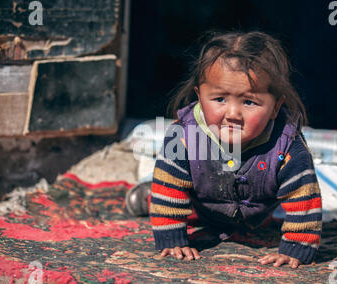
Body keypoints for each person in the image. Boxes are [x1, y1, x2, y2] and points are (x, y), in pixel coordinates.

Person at [125, 31, 322, 268]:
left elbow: (304, 198)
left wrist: (298, 248)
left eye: (249, 102)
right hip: (201, 205)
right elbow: (170, 188)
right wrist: (172, 238)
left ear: (275, 107)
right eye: (219, 99)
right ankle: (147, 193)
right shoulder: (184, 138)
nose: (232, 114)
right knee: (167, 192)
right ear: (199, 97)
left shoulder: (287, 147)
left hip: (257, 212)